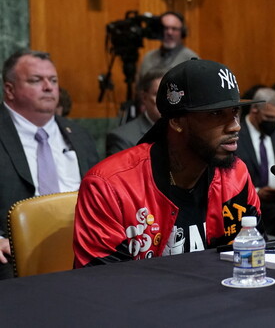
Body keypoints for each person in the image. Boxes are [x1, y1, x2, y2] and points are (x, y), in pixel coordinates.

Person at [73, 59, 262, 267]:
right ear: (176, 121)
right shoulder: (109, 186)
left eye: (235, 112)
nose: (235, 127)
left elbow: (251, 259)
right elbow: (101, 284)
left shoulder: (235, 175)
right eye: (216, 114)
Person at [0, 49, 99, 279]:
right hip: (12, 255)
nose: (48, 87)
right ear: (10, 89)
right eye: (36, 80)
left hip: (81, 248)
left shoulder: (80, 135)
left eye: (53, 80)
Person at [236, 88, 275, 237]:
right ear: (254, 109)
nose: (272, 122)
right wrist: (258, 192)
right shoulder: (236, 136)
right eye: (268, 117)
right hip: (247, 205)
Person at [105, 68, 165, 156]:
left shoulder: (181, 130)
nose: (164, 100)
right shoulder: (123, 137)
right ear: (144, 98)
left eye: (168, 94)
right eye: (158, 94)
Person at [138, 11, 198, 79]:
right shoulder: (148, 58)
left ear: (182, 32)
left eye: (174, 29)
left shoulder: (191, 59)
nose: (169, 32)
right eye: (165, 28)